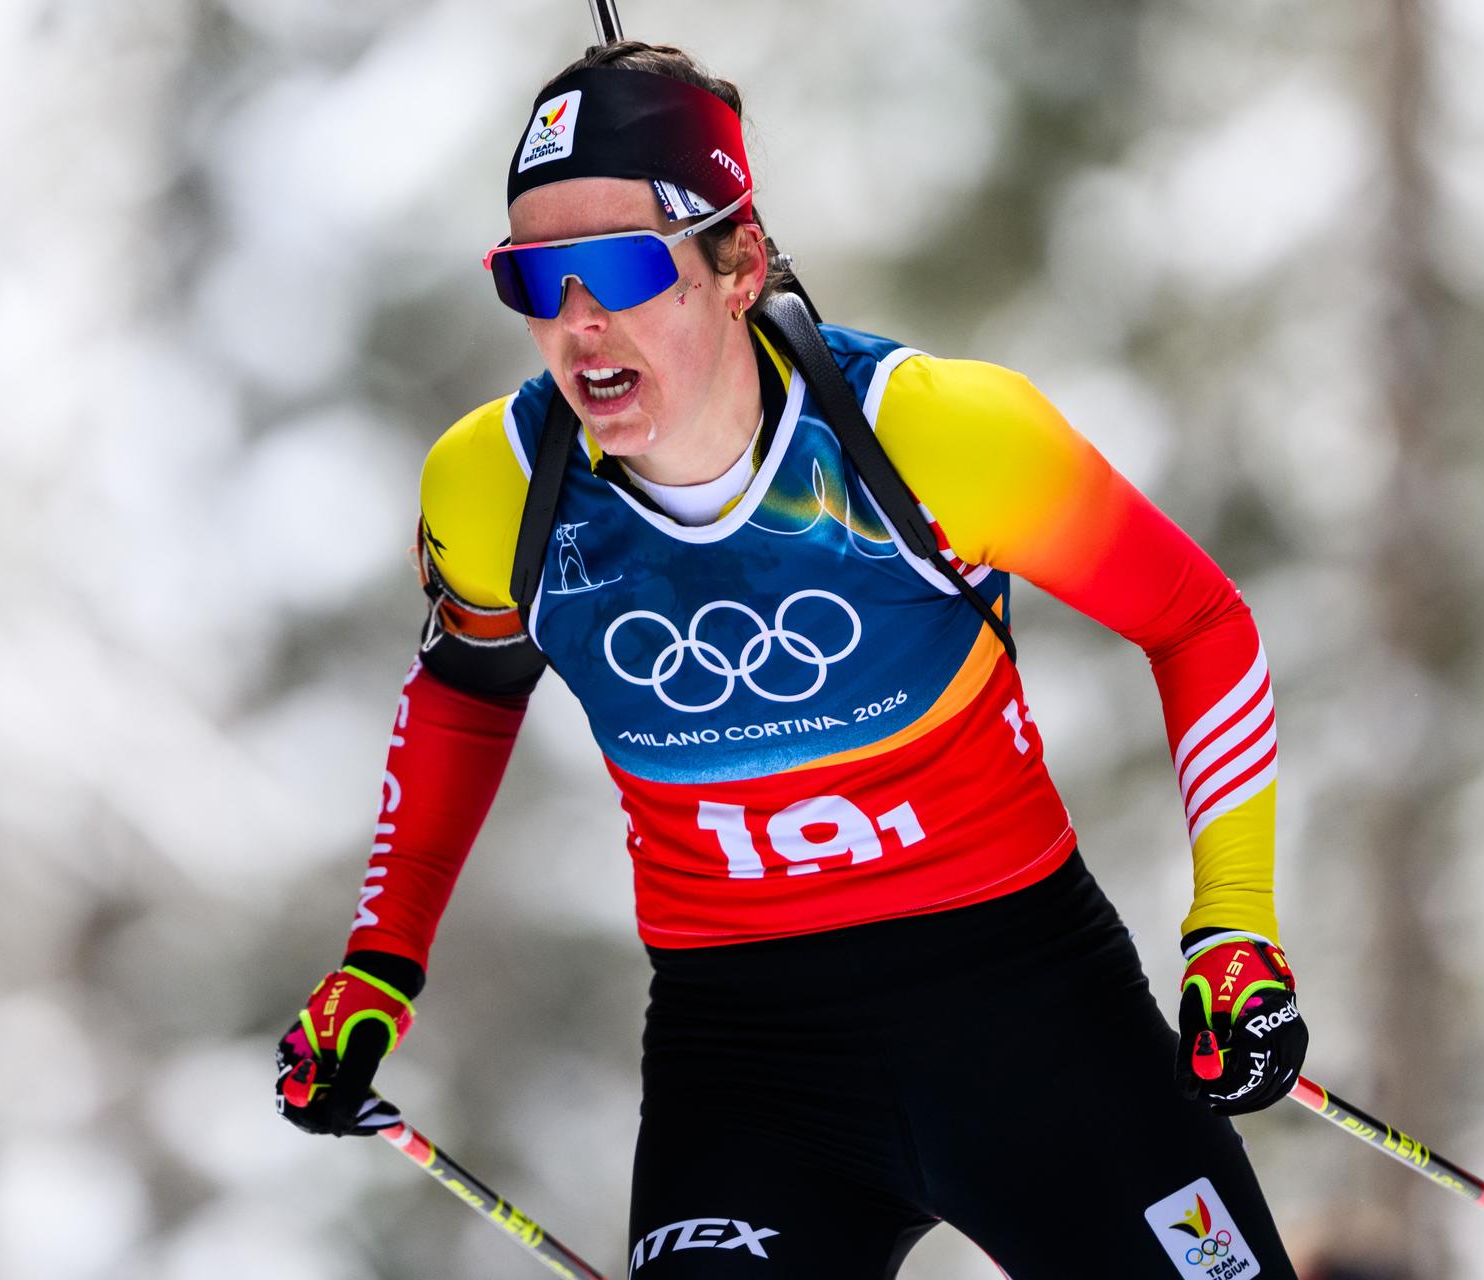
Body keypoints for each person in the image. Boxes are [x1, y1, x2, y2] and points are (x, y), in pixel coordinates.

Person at [275, 40, 1310, 1279]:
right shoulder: (498, 486)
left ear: (738, 265)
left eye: (613, 266)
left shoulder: (938, 434)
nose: (577, 322)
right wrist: (379, 962)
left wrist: (1234, 928)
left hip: (1027, 1009)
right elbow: (465, 692)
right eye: (533, 279)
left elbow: (1197, 622)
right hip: (745, 1056)